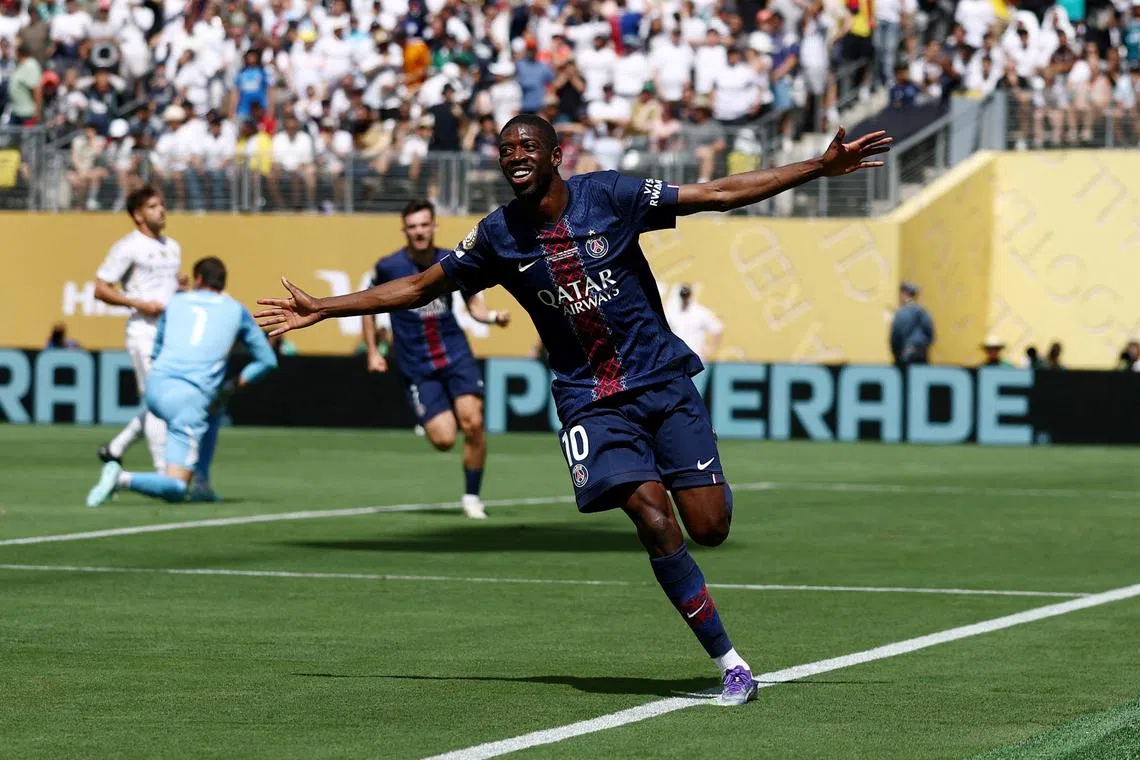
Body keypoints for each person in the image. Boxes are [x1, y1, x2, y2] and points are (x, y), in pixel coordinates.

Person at [256, 115, 891, 706]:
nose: (515, 157)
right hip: (588, 398)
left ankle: (693, 493)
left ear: (556, 155)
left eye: (527, 147)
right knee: (652, 518)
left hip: (662, 382)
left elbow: (717, 193)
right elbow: (421, 287)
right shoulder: (498, 235)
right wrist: (326, 308)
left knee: (709, 526)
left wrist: (816, 167)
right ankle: (731, 662)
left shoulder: (611, 196)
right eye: (506, 151)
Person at [362, 200, 511, 520]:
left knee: (473, 422)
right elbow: (369, 306)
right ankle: (435, 411)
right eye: (412, 226)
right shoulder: (389, 267)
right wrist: (373, 351)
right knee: (444, 440)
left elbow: (475, 307)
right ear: (405, 230)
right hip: (417, 364)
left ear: (434, 226)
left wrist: (493, 317)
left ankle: (472, 496)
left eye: (423, 225)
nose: (418, 231)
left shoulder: (451, 260)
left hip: (455, 354)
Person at [86, 257, 277, 507]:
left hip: (156, 386)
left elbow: (157, 349)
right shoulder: (235, 309)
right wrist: (232, 386)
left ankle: (203, 483)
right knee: (176, 487)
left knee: (213, 407)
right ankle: (121, 478)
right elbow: (267, 360)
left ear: (198, 279)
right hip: (189, 400)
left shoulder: (176, 301)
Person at [94, 186, 182, 473]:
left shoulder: (172, 246)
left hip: (169, 331)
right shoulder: (128, 247)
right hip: (144, 331)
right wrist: (136, 302)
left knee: (166, 399)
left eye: (162, 204)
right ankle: (162, 471)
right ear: (137, 215)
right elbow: (100, 288)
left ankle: (115, 448)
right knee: (157, 399)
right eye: (153, 206)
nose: (161, 210)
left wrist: (179, 288)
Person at [665, 284, 723, 364]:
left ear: (690, 295)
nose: (685, 299)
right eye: (683, 295)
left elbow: (717, 328)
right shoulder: (671, 312)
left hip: (696, 358)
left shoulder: (700, 312)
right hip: (676, 359)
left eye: (686, 295)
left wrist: (711, 348)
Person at [889, 281, 935, 365]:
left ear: (904, 294)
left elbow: (895, 336)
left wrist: (895, 353)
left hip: (905, 353)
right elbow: (930, 334)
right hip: (922, 353)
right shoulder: (923, 311)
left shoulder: (901, 312)